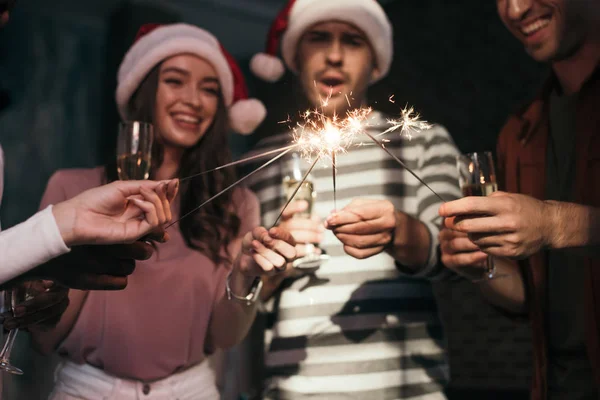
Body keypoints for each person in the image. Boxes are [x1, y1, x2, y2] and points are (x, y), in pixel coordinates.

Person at [30, 23, 296, 400]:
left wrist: (243, 277)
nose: (194, 99)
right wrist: (95, 247)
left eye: (209, 88)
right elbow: (43, 337)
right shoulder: (71, 190)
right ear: (144, 92)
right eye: (175, 81)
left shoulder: (236, 206)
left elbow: (225, 337)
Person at [242, 0, 462, 398]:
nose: (335, 55)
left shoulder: (423, 141)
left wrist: (399, 232)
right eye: (319, 38)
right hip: (293, 390)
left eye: (354, 41)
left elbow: (455, 259)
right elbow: (240, 301)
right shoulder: (263, 163)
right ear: (295, 55)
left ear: (376, 62)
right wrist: (269, 268)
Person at [438, 0, 600, 398]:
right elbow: (527, 296)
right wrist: (482, 266)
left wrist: (553, 223)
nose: (515, 8)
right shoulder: (520, 132)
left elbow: (548, 227)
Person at [0, 0, 178, 334]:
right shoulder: (75, 183)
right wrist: (60, 230)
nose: (7, 14)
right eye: (174, 81)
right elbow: (44, 338)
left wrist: (48, 257)